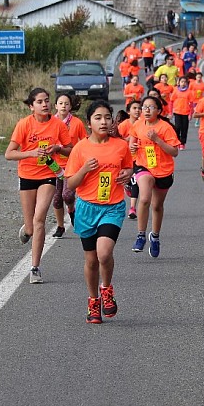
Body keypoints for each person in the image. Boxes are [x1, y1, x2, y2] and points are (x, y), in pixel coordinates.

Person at [65, 101, 133, 323]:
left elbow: (128, 166)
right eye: (98, 117)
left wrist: (126, 174)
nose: (103, 121)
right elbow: (71, 184)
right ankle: (93, 301)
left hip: (112, 207)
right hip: (86, 208)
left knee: (104, 253)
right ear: (89, 123)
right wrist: (84, 169)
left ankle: (107, 289)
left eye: (107, 117)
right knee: (91, 260)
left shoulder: (120, 146)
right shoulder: (80, 149)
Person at [5, 88, 72, 283]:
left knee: (40, 219)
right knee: (31, 228)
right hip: (26, 175)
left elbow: (71, 150)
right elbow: (9, 153)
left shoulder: (58, 125)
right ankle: (27, 230)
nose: (45, 104)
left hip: (48, 175)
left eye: (47, 100)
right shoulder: (24, 124)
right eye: (40, 101)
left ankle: (35, 268)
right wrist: (31, 153)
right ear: (31, 106)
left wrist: (58, 148)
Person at [128, 96, 180, 257]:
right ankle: (141, 235)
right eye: (144, 107)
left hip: (163, 171)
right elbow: (132, 141)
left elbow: (174, 152)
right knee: (144, 198)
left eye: (151, 107)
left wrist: (157, 140)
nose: (147, 110)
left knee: (157, 206)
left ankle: (155, 237)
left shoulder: (165, 128)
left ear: (158, 111)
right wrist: (132, 146)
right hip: (143, 166)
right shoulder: (138, 125)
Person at [51, 94, 88, 238]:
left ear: (70, 107)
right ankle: (60, 226)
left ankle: (71, 210)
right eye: (60, 103)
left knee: (67, 195)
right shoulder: (50, 123)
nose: (63, 106)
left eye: (66, 104)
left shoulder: (77, 123)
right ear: (55, 106)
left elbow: (84, 141)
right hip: (54, 165)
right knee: (57, 198)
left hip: (71, 164)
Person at [118, 101, 142, 219]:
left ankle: (132, 208)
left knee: (135, 181)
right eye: (134, 108)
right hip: (125, 158)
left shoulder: (143, 124)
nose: (137, 110)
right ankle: (127, 186)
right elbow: (117, 141)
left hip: (138, 158)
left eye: (139, 108)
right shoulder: (123, 125)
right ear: (129, 111)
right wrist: (129, 139)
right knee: (129, 182)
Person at [170, 76, 196, 149]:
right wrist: (170, 112)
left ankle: (182, 142)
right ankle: (177, 141)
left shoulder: (189, 92)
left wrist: (190, 113)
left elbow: (191, 104)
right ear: (179, 83)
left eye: (185, 82)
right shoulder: (176, 91)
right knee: (177, 127)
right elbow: (171, 101)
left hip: (186, 112)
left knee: (184, 128)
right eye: (182, 82)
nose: (183, 83)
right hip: (177, 111)